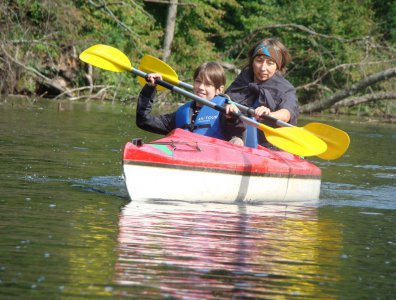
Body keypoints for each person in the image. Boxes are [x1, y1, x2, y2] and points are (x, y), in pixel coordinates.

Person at [136, 61, 245, 144]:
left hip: (214, 161)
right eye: (198, 82)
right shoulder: (182, 113)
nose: (201, 87)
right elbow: (143, 120)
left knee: (237, 141)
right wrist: (150, 88)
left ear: (219, 90)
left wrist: (232, 119)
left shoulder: (225, 111)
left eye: (208, 84)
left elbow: (238, 133)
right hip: (184, 159)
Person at [225, 37, 298, 148]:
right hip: (236, 137)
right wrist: (228, 105)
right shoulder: (243, 79)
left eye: (270, 63)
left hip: (269, 146)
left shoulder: (285, 88)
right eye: (259, 61)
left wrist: (269, 115)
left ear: (278, 67)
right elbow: (226, 97)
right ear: (252, 61)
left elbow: (287, 113)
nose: (263, 68)